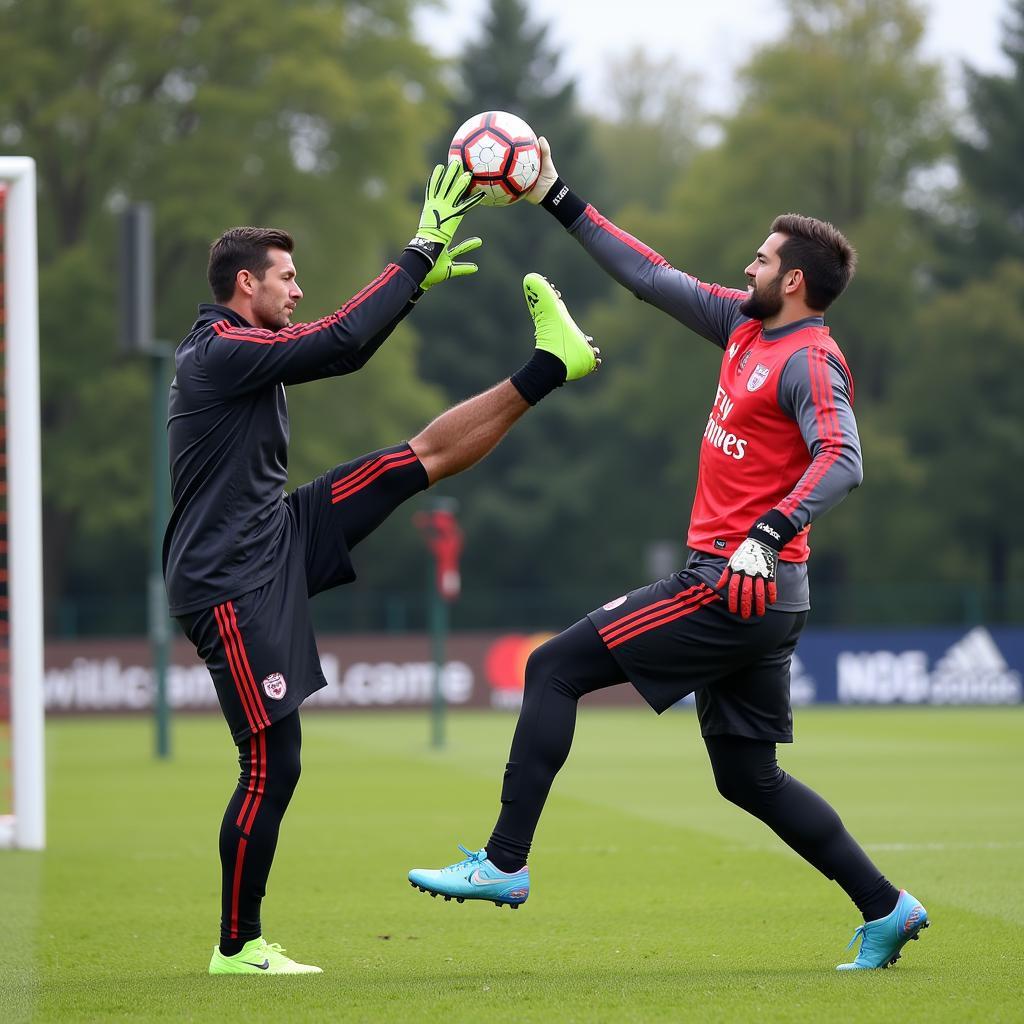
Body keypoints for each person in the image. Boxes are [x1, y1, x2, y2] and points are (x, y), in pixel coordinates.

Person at [408, 142, 929, 972]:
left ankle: (503, 863)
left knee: (552, 669)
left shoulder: (811, 359)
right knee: (748, 778)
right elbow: (650, 276)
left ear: (794, 281)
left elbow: (844, 459)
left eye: (761, 259)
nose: (747, 265)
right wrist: (555, 195)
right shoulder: (744, 326)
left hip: (733, 583)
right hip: (761, 595)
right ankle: (887, 907)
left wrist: (766, 533)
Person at [163, 160, 600, 975]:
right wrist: (419, 253)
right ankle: (237, 948)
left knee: (413, 463)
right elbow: (341, 344)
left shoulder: (240, 343)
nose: (296, 290)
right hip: (230, 578)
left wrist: (418, 272)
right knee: (273, 763)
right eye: (286, 279)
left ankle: (552, 364)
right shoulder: (218, 348)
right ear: (245, 282)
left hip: (274, 534)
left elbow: (336, 338)